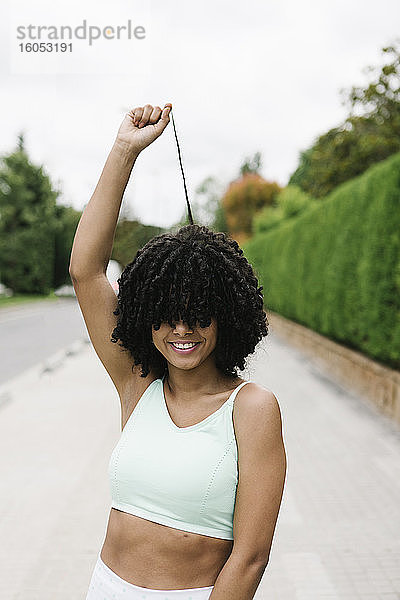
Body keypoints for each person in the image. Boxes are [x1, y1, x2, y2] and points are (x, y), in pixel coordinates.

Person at [69, 103, 287, 600]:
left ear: (226, 316)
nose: (181, 330)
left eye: (198, 314)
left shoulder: (252, 409)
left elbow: (251, 559)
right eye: (167, 314)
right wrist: (125, 149)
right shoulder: (136, 382)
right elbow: (86, 270)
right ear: (146, 316)